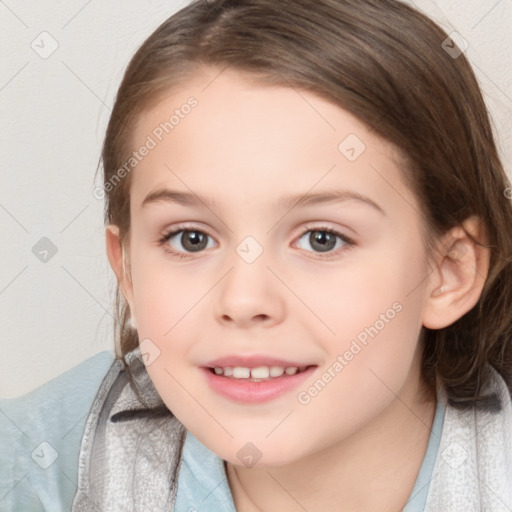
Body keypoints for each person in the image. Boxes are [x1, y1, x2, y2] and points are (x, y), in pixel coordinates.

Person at [2, 0, 512, 510]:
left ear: (448, 272)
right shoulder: (35, 471)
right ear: (128, 268)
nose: (244, 300)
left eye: (322, 239)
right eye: (190, 238)